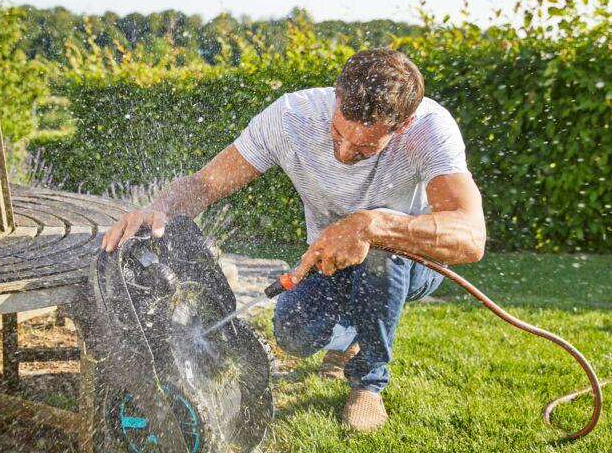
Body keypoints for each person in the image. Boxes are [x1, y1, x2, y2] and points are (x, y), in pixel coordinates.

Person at [101, 48, 486, 432]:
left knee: (380, 255)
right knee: (294, 332)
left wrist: (370, 225)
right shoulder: (291, 117)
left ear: (402, 125)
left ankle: (369, 382)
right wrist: (158, 209)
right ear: (336, 97)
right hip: (328, 258)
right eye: (338, 134)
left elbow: (470, 236)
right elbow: (205, 184)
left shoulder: (430, 129)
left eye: (365, 148)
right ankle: (349, 339)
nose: (344, 152)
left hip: (411, 264)